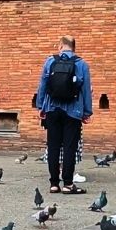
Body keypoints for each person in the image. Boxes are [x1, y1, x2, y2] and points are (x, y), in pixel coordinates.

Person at [36, 36, 92, 194]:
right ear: (74, 47)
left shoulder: (50, 62)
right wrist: (87, 112)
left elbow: (43, 85)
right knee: (69, 147)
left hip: (52, 109)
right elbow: (86, 90)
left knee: (53, 146)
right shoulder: (81, 64)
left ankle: (54, 184)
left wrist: (41, 106)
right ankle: (68, 184)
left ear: (61, 46)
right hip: (73, 111)